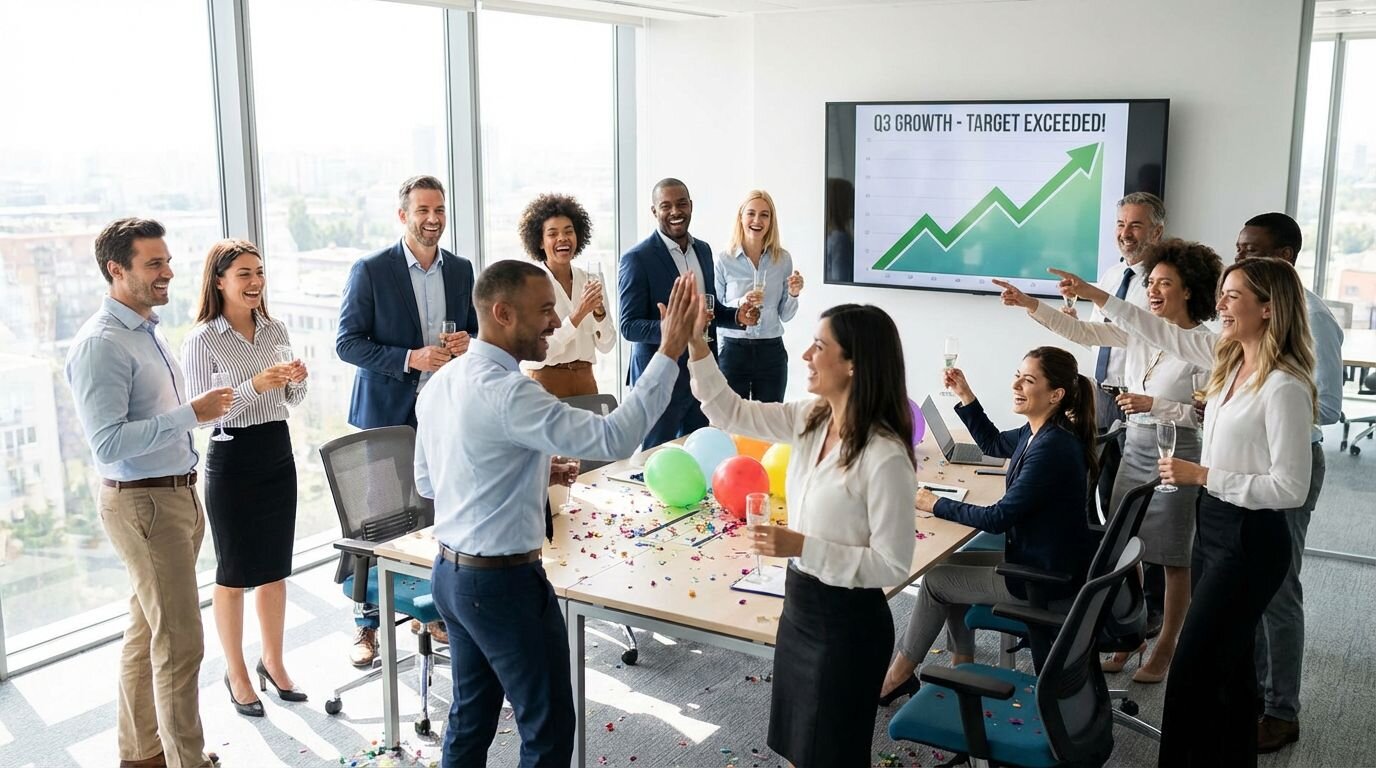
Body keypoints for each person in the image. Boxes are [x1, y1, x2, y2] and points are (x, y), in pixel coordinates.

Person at [416, 261, 699, 767]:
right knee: (547, 730)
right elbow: (614, 437)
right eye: (546, 309)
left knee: (470, 720)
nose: (556, 320)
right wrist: (669, 351)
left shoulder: (443, 381)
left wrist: (524, 467)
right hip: (503, 588)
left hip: (451, 578)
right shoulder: (511, 392)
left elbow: (431, 481)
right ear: (503, 313)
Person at [1051, 258, 1315, 767]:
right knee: (1233, 674)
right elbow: (1155, 329)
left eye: (1232, 296)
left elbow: (1291, 488)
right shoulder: (1229, 359)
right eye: (1221, 294)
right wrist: (1097, 295)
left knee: (1192, 672)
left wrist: (1205, 476)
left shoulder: (1284, 386)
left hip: (1252, 540)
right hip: (1214, 526)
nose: (1220, 305)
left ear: (1268, 308)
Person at [688, 303, 917, 767]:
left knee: (830, 756)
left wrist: (802, 545)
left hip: (848, 624)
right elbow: (728, 412)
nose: (806, 355)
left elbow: (893, 565)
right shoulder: (811, 417)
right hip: (801, 609)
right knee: (798, 752)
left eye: (819, 345)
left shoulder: (885, 455)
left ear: (853, 363)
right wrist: (696, 345)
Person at [992, 238, 1224, 684]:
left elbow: (1205, 414)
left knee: (1173, 558)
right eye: (1150, 283)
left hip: (1178, 452)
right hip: (1135, 445)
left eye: (1164, 284)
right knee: (1124, 547)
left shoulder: (1205, 344)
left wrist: (1156, 404)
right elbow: (1083, 334)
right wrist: (1029, 304)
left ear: (1190, 290)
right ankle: (1130, 635)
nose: (1152, 291)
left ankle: (1167, 646)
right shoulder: (1141, 331)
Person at [65, 217, 231, 768]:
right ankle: (186, 761)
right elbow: (108, 443)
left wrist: (190, 417)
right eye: (153, 263)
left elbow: (152, 417)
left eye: (166, 260)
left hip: (176, 496)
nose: (169, 272)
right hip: (145, 504)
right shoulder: (101, 344)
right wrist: (191, 413)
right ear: (117, 270)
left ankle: (139, 755)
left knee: (147, 633)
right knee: (181, 645)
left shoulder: (146, 328)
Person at [879, 347, 1099, 707]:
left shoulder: (1051, 449)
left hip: (1040, 580)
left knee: (935, 583)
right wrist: (966, 396)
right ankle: (960, 666)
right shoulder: (1042, 432)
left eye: (1028, 380)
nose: (1016, 384)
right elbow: (995, 443)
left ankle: (897, 677)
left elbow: (998, 518)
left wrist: (936, 503)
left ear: (1056, 395)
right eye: (1018, 374)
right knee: (943, 570)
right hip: (1038, 559)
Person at [335, 174, 476, 666]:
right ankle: (365, 625)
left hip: (442, 413)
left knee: (435, 514)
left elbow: (474, 331)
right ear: (403, 215)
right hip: (386, 415)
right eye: (423, 210)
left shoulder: (460, 270)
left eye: (439, 210)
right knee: (377, 520)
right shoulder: (371, 270)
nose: (432, 219)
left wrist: (466, 345)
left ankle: (431, 610)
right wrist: (408, 359)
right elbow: (347, 343)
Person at [181, 239, 309, 717]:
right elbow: (199, 414)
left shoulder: (274, 328)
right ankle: (235, 671)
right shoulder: (202, 339)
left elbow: (291, 401)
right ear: (219, 281)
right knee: (234, 573)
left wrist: (296, 378)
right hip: (232, 459)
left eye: (259, 272)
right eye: (244, 275)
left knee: (275, 568)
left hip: (277, 451)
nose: (255, 282)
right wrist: (255, 384)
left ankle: (272, 662)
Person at [1236, 212, 1344, 752]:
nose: (1239, 258)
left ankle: (1283, 711)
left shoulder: (1313, 317)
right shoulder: (1253, 317)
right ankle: (1256, 694)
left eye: (1250, 250)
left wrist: (1270, 403)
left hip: (1291, 466)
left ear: (1284, 257)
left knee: (1279, 589)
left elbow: (1326, 407)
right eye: (1237, 247)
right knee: (1253, 583)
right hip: (1252, 465)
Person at [618, 177, 757, 448]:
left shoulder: (703, 250)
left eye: (681, 203)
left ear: (691, 206)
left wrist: (737, 317)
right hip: (660, 378)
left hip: (701, 373)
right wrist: (676, 326)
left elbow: (710, 307)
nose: (675, 212)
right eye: (666, 206)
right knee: (657, 457)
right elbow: (629, 326)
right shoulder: (637, 259)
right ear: (654, 211)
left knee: (698, 450)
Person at [515, 193, 616, 397]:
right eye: (553, 233)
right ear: (540, 242)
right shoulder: (530, 284)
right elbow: (536, 355)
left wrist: (599, 313)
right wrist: (577, 316)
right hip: (546, 383)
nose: (562, 238)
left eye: (569, 231)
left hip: (586, 381)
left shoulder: (591, 279)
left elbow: (607, 345)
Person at [714, 189, 805, 402]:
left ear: (771, 221)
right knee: (732, 424)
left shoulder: (782, 259)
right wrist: (741, 303)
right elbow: (715, 311)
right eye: (751, 213)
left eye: (765, 214)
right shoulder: (724, 260)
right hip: (733, 351)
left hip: (771, 352)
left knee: (770, 424)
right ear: (741, 217)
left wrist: (793, 293)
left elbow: (786, 315)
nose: (757, 220)